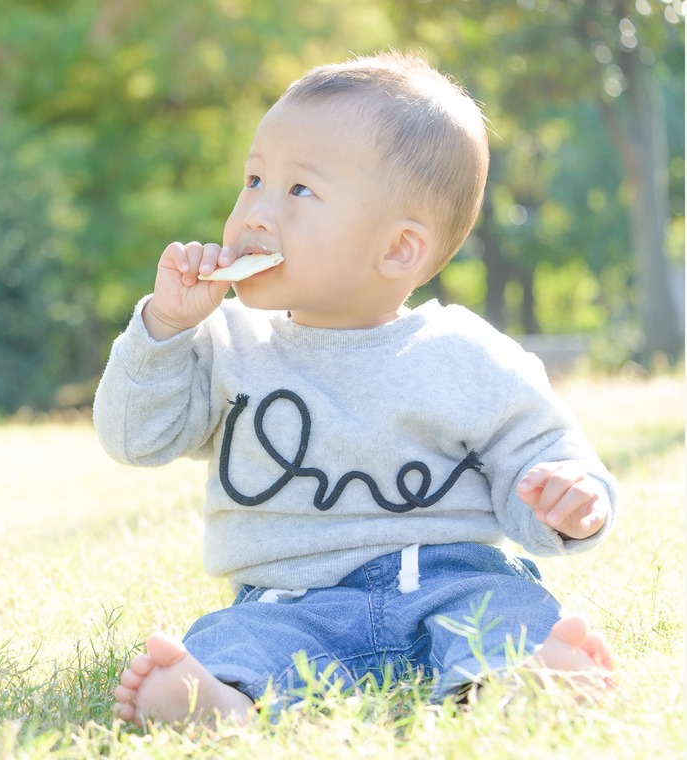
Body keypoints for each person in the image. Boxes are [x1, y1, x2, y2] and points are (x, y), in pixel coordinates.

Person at [92, 51, 618, 725]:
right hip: (289, 599)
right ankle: (218, 699)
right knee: (234, 640)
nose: (255, 211)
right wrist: (162, 329)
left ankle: (521, 681)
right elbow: (134, 439)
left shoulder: (466, 355)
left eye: (298, 191)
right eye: (253, 179)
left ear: (399, 249)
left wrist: (568, 501)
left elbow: (541, 453)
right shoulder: (227, 344)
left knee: (506, 614)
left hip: (450, 581)